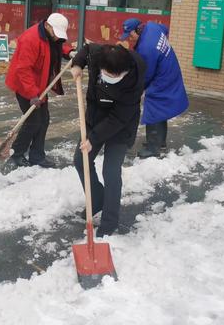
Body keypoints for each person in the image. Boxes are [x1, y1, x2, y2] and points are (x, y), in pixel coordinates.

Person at [71, 44, 146, 237]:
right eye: (105, 74)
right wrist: (78, 63)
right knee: (80, 160)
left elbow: (119, 118)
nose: (107, 78)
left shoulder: (135, 77)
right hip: (95, 117)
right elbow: (87, 49)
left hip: (121, 126)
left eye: (113, 76)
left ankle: (110, 222)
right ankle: (97, 199)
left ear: (124, 72)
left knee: (111, 171)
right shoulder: (101, 55)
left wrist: (93, 139)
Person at [5, 13, 73, 169]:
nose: (58, 37)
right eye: (56, 33)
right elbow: (23, 69)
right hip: (24, 85)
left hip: (40, 84)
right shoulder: (30, 39)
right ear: (48, 26)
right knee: (32, 121)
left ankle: (37, 155)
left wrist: (69, 52)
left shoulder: (50, 35)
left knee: (43, 120)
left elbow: (58, 44)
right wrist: (32, 94)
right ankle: (16, 154)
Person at [120, 18, 189, 158]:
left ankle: (154, 148)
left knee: (153, 108)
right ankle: (160, 143)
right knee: (160, 109)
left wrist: (137, 89)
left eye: (130, 34)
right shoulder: (152, 27)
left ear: (138, 30)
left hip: (163, 78)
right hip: (169, 68)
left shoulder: (147, 48)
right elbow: (165, 29)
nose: (130, 38)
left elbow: (146, 75)